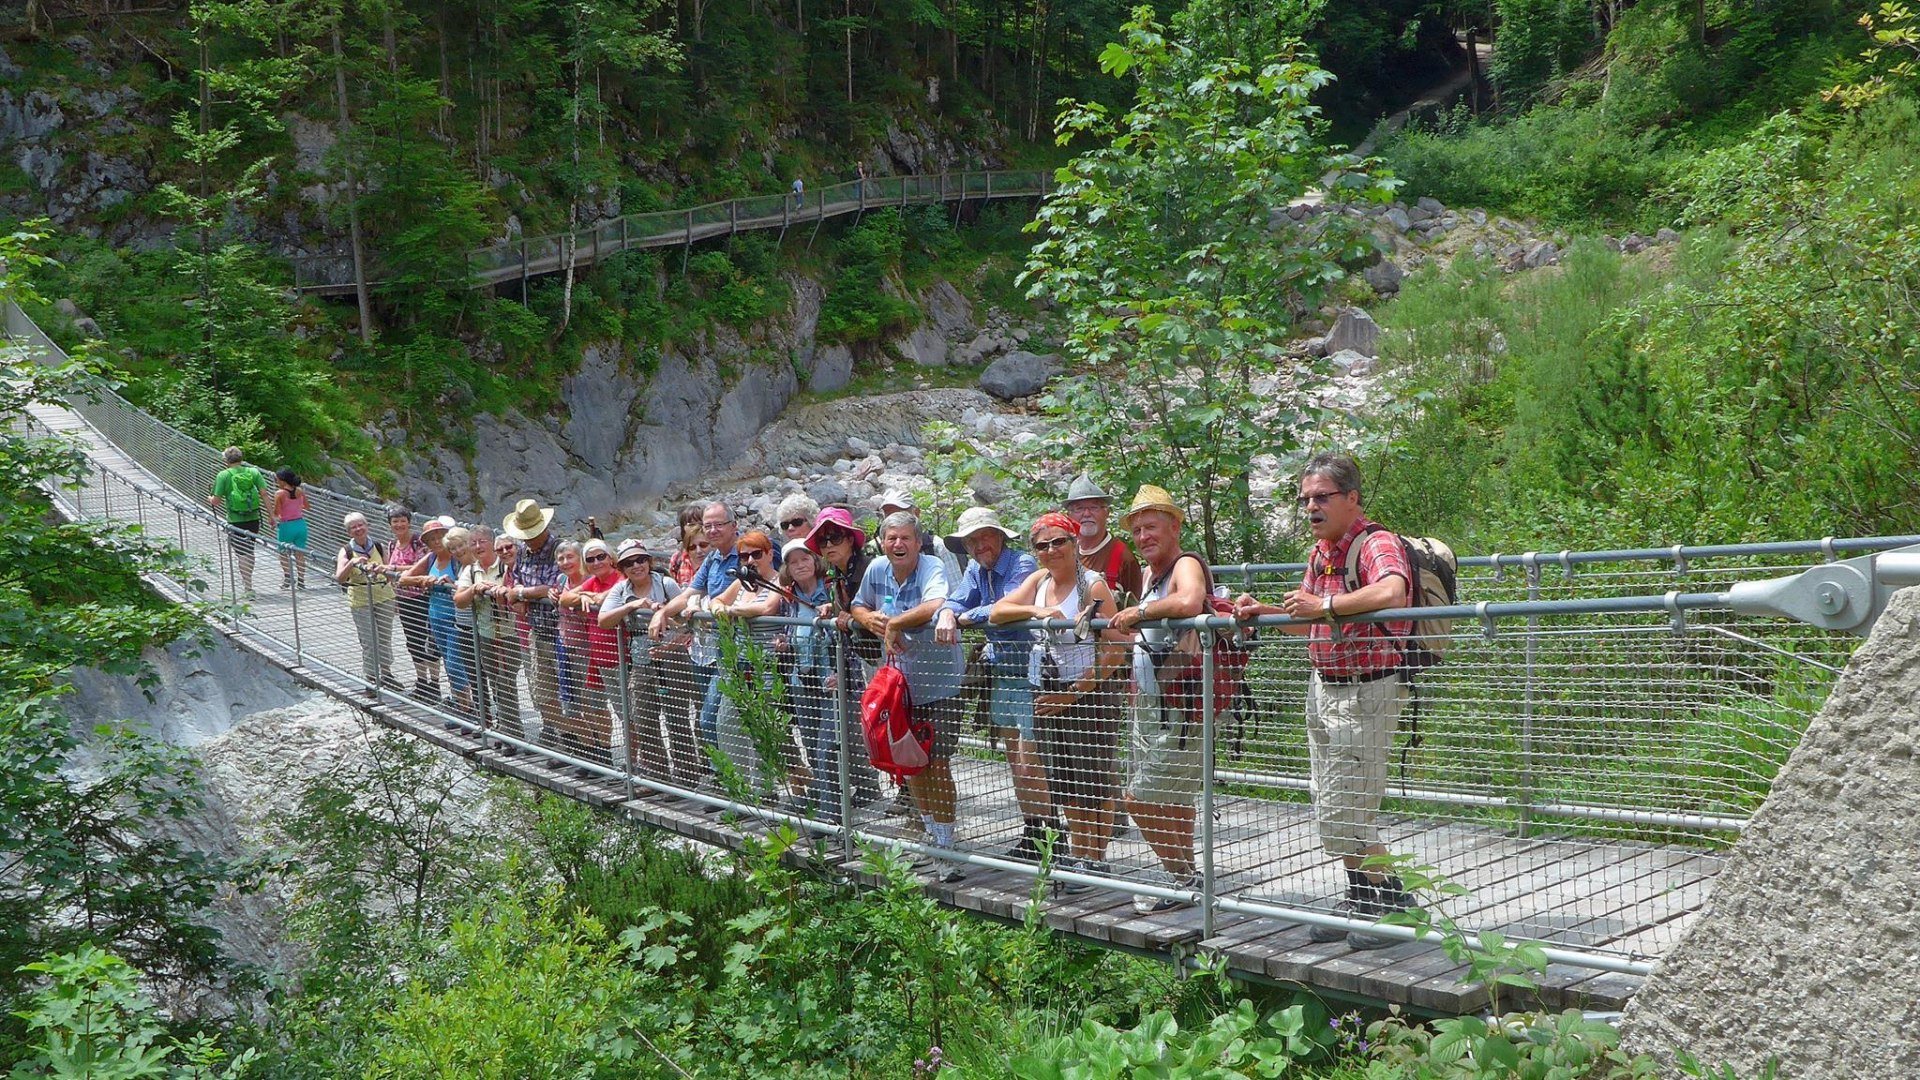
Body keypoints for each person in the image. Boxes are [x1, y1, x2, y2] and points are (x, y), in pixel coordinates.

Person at [1232, 452, 1416, 950]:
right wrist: (1265, 611)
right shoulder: (1323, 553)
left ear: (1352, 498)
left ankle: (1389, 903)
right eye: (1306, 498)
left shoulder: (1375, 542)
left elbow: (1394, 591)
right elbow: (1308, 618)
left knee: (1343, 807)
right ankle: (1369, 898)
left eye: (1322, 497)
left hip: (1367, 689)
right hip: (1326, 686)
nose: (1311, 506)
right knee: (1335, 800)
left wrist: (1327, 605)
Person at [991, 512, 1129, 886]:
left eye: (1058, 542)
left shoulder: (1093, 587)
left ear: (1073, 543)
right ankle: (1079, 856)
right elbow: (999, 611)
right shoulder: (1039, 581)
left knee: (1092, 780)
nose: (1051, 550)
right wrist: (1037, 611)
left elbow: (1117, 650)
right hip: (1047, 693)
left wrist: (1073, 693)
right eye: (1042, 545)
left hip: (1088, 695)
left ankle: (1094, 858)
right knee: (1062, 779)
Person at [1106, 485, 1210, 913]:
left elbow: (1190, 600)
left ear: (1174, 525)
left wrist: (1140, 612)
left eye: (1152, 526)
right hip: (1152, 702)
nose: (1144, 536)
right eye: (1137, 530)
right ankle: (1183, 881)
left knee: (1138, 797)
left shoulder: (1184, 563)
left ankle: (1186, 878)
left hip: (1182, 706)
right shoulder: (1150, 575)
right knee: (1174, 799)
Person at [853, 511, 968, 882]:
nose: (898, 545)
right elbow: (857, 605)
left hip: (940, 683)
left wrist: (896, 623)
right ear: (882, 543)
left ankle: (947, 847)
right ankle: (932, 836)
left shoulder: (932, 566)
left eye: (905, 538)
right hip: (900, 688)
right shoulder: (876, 570)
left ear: (918, 542)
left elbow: (936, 604)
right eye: (891, 539)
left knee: (938, 764)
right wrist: (868, 620)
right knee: (912, 765)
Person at [938, 506, 1048, 860]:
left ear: (999, 535)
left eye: (984, 536)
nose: (978, 545)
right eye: (971, 540)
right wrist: (946, 613)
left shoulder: (1022, 566)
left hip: (1032, 674)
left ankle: (1052, 835)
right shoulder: (975, 568)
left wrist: (968, 617)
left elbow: (1008, 605)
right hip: (1002, 672)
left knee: (1033, 761)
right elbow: (956, 600)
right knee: (1016, 761)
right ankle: (1033, 832)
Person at [803, 507, 887, 816]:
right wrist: (832, 608)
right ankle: (885, 790)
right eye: (823, 541)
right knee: (866, 729)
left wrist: (851, 616)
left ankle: (908, 797)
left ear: (851, 540)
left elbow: (879, 608)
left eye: (835, 537)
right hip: (864, 662)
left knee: (886, 726)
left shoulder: (867, 569)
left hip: (881, 658)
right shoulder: (839, 575)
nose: (828, 546)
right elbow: (847, 608)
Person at [650, 500, 741, 766]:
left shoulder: (747, 552)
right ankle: (725, 779)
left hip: (735, 647)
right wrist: (663, 613)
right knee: (713, 715)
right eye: (708, 525)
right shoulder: (713, 559)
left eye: (718, 525)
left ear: (733, 526)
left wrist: (715, 606)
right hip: (707, 649)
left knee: (711, 717)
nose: (712, 531)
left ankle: (729, 779)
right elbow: (690, 592)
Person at [709, 530, 798, 798]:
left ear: (770, 554)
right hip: (738, 665)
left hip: (767, 666)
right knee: (726, 723)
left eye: (756, 554)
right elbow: (715, 600)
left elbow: (766, 609)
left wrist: (730, 612)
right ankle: (737, 787)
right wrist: (719, 609)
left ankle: (764, 790)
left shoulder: (778, 581)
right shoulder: (741, 583)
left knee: (763, 727)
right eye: (744, 555)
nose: (750, 560)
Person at [598, 539, 684, 782]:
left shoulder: (666, 584)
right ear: (622, 568)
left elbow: (687, 618)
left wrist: (668, 642)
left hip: (673, 658)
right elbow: (603, 619)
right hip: (641, 659)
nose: (636, 566)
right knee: (643, 718)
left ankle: (686, 776)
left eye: (640, 560)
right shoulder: (622, 590)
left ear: (649, 562)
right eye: (629, 563)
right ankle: (658, 777)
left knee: (677, 719)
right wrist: (632, 606)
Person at [501, 498, 569, 749]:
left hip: (563, 633)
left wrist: (522, 593)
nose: (528, 539)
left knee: (569, 694)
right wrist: (524, 595)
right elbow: (516, 588)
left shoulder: (559, 550)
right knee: (543, 694)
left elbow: (554, 588)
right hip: (536, 631)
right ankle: (559, 737)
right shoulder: (522, 553)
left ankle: (578, 745)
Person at [559, 537, 623, 769]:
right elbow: (565, 598)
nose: (596, 562)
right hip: (599, 654)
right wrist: (584, 596)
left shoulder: (620, 578)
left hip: (621, 654)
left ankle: (633, 764)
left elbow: (615, 595)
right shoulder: (593, 581)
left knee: (626, 711)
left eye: (601, 557)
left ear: (611, 557)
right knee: (595, 703)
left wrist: (595, 598)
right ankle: (603, 754)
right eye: (591, 559)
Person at [400, 518, 472, 718]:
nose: (436, 541)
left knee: (456, 663)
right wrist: (423, 579)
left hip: (456, 619)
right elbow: (404, 579)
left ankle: (468, 708)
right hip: (436, 618)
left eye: (440, 536)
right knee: (449, 664)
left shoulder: (458, 558)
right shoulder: (431, 558)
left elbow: (470, 578)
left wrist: (452, 583)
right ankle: (462, 705)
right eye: (431, 539)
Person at [455, 525, 515, 739]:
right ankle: (505, 729)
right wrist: (474, 589)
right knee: (496, 681)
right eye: (473, 543)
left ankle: (512, 733)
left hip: (509, 634)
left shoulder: (507, 565)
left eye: (482, 541)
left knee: (506, 683)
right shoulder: (471, 570)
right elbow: (459, 601)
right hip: (486, 634)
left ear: (492, 543)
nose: (478, 546)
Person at [334, 511, 397, 695]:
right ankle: (371, 679)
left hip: (384, 596)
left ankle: (386, 674)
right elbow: (339, 578)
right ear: (348, 532)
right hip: (361, 599)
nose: (358, 529)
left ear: (367, 526)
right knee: (369, 640)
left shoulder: (378, 546)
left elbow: (389, 572)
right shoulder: (346, 551)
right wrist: (352, 563)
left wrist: (396, 595)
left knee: (385, 637)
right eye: (353, 527)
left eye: (361, 525)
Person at [386, 506, 440, 702]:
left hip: (423, 597)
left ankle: (435, 685)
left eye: (402, 520)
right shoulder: (392, 545)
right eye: (395, 521)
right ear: (390, 524)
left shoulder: (419, 542)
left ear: (409, 522)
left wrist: (393, 568)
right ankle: (421, 683)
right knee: (413, 641)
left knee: (429, 640)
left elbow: (422, 566)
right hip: (404, 598)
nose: (399, 524)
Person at [1066, 474, 1144, 601]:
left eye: (1094, 507)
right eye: (1079, 509)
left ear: (1107, 513)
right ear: (1069, 515)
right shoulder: (1065, 552)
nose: (1086, 514)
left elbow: (1133, 608)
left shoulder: (1123, 557)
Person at [206, 446, 268, 595]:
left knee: (241, 554)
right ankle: (249, 580)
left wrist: (209, 498)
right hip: (254, 518)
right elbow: (265, 494)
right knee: (250, 549)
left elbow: (216, 501)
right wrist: (272, 516)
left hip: (235, 520)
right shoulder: (253, 471)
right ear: (241, 458)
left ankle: (248, 586)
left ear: (226, 460)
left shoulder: (223, 475)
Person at [271, 468, 311, 591]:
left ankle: (288, 577)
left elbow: (277, 512)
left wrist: (272, 520)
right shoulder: (300, 491)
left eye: (277, 479)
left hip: (286, 526)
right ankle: (302, 581)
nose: (276, 481)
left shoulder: (280, 494)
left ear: (283, 481)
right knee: (300, 554)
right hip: (300, 525)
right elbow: (307, 506)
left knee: (283, 553)